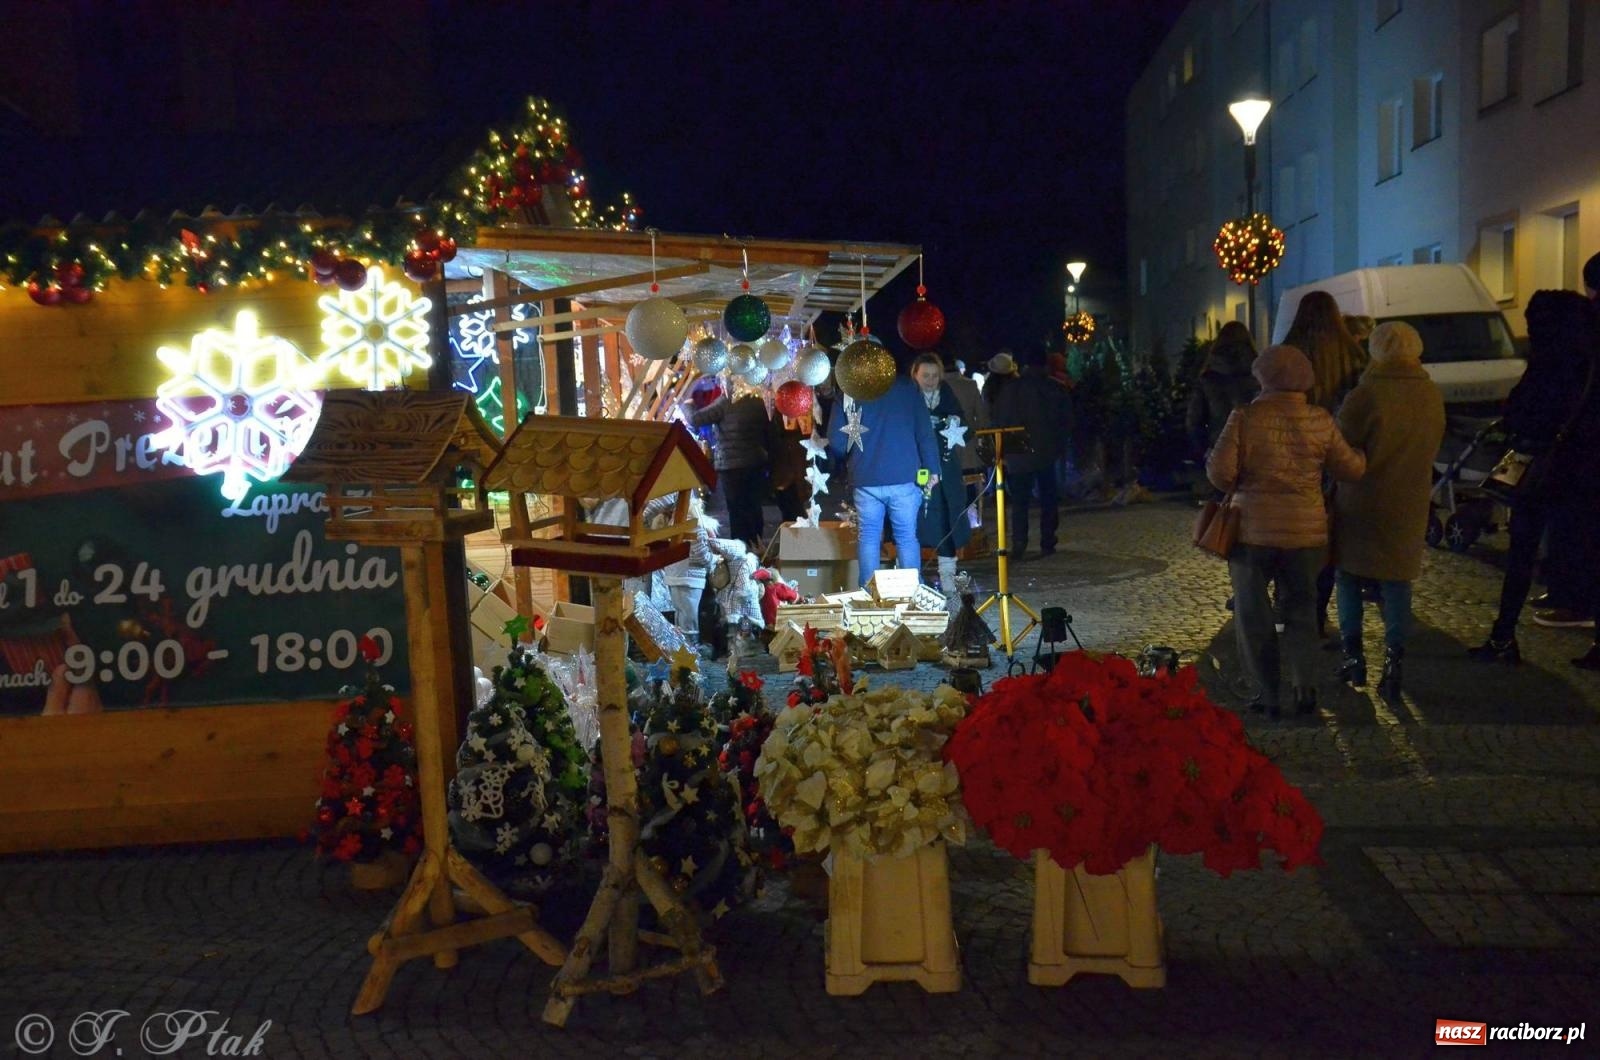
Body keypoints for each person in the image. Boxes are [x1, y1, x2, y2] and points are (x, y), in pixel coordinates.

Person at [1207, 344, 1366, 718]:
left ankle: (1266, 692)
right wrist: (1366, 455)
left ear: (1263, 376)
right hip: (1305, 533)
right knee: (1301, 608)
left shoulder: (1244, 418)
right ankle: (1304, 686)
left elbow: (1220, 474)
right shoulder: (1320, 420)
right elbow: (1351, 469)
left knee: (1252, 612)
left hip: (1252, 533)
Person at [1470, 290, 1600, 664]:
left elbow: (1525, 411)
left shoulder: (1550, 362)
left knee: (1522, 553)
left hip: (1546, 468)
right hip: (1586, 472)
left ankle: (1503, 636)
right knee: (1590, 551)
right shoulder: (1588, 359)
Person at [1330, 322, 1446, 698]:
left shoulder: (1367, 393)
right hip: (1410, 499)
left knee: (1347, 576)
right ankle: (1395, 662)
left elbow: (1340, 446)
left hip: (1363, 501)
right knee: (1398, 581)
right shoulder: (1429, 393)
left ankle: (1354, 657)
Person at [827, 368, 941, 588]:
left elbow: (837, 443)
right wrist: (932, 468)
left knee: (869, 537)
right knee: (906, 537)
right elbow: (925, 432)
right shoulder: (907, 389)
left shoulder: (849, 392)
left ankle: (869, 595)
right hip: (904, 476)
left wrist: (849, 453)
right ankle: (911, 594)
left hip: (866, 477)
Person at [991, 347, 1072, 557]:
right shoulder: (1053, 388)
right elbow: (1064, 421)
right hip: (1046, 451)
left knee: (1020, 501)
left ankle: (1020, 541)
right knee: (1048, 499)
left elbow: (1001, 420)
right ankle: (1047, 540)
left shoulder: (1011, 389)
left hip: (1018, 451)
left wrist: (1003, 451)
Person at [911, 354, 975, 594]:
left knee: (946, 518)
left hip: (946, 469)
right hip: (917, 467)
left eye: (934, 375)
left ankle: (948, 575)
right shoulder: (909, 396)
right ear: (915, 375)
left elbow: (965, 430)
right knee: (918, 518)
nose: (930, 380)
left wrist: (950, 424)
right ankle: (911, 575)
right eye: (925, 375)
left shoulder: (946, 394)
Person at [686, 382, 770, 548]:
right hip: (755, 461)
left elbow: (696, 419)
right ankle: (757, 545)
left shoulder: (726, 402)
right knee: (754, 506)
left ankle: (740, 549)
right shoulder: (758, 401)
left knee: (736, 510)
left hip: (731, 465)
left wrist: (687, 404)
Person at [1186, 321, 1259, 455]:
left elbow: (1194, 421)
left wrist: (1203, 451)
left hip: (1219, 448)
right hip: (1254, 450)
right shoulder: (1259, 375)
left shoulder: (1208, 379)